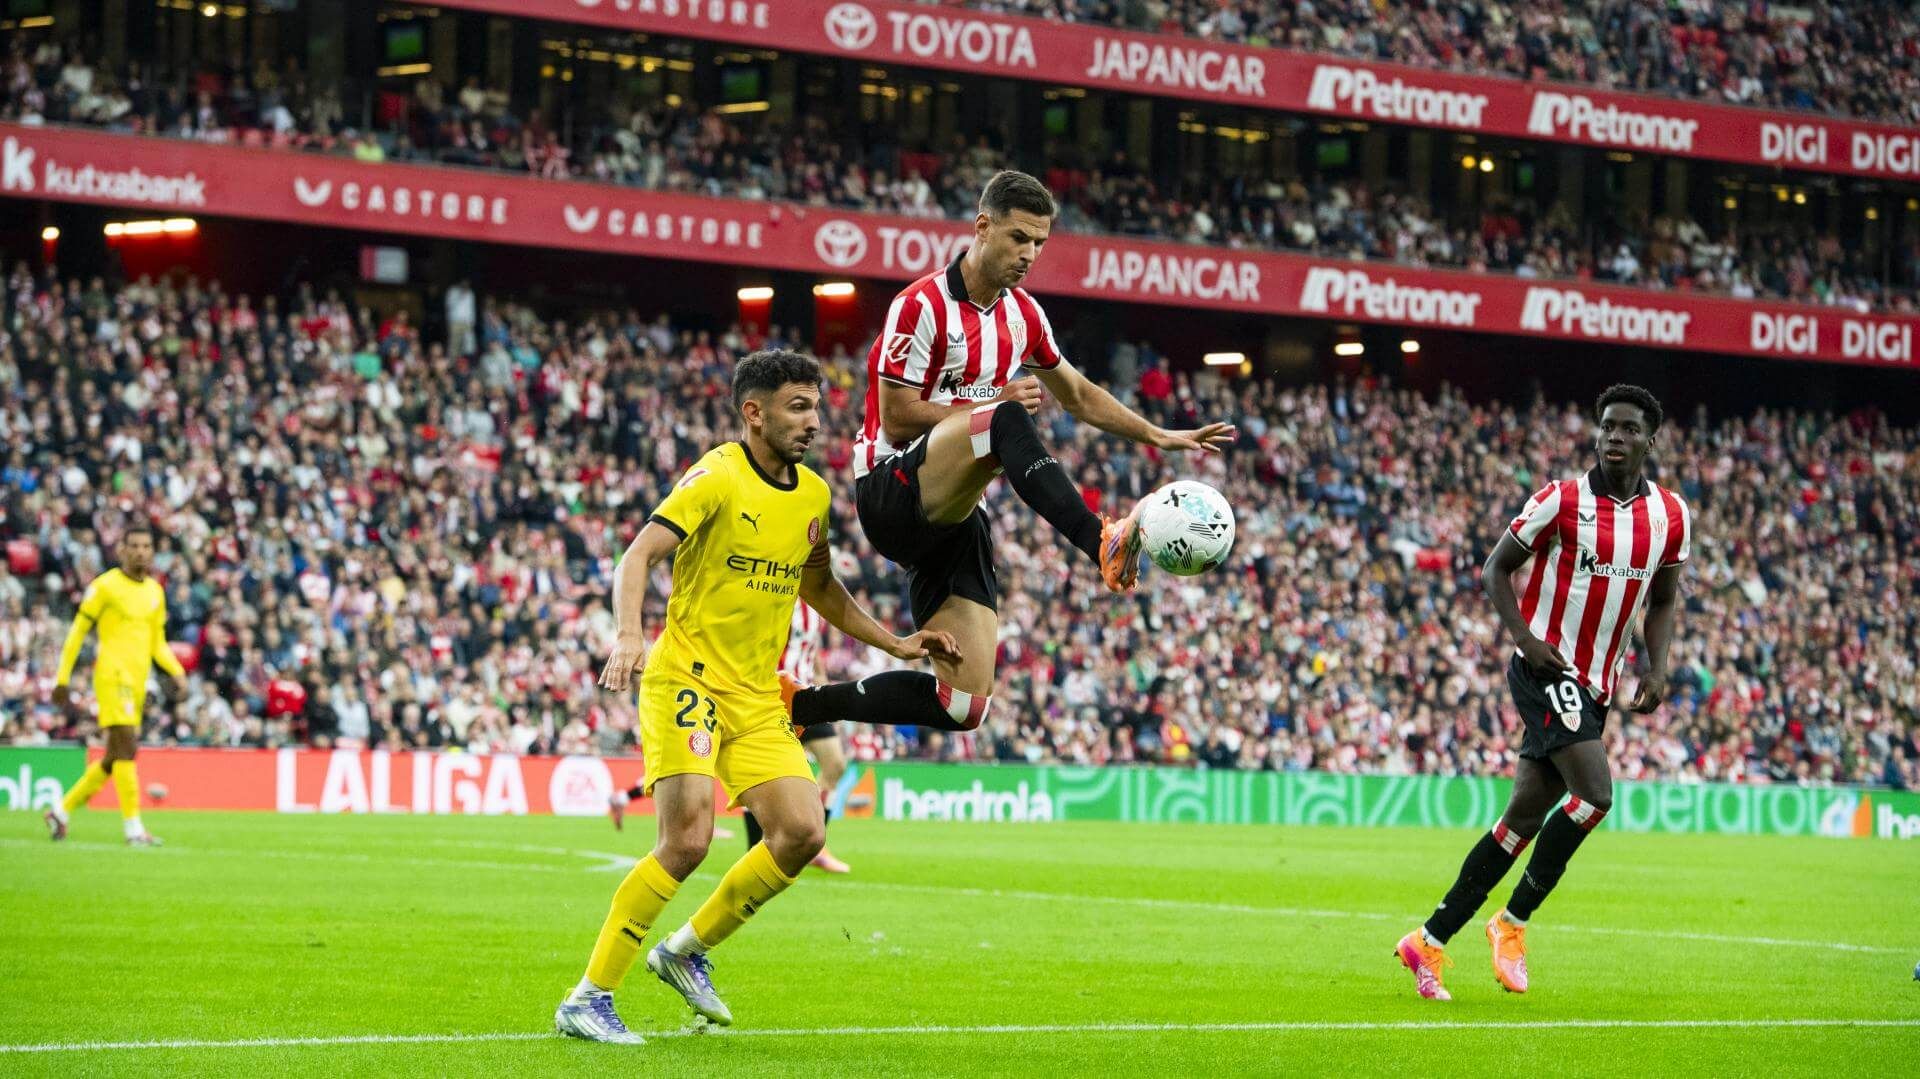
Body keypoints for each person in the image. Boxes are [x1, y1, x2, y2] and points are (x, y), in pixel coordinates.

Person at [554, 349, 958, 1044]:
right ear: (755, 412)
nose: (812, 421)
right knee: (687, 839)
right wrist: (628, 634)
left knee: (802, 830)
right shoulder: (716, 475)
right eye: (798, 407)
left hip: (756, 693)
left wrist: (895, 643)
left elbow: (821, 585)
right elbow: (638, 554)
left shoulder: (811, 496)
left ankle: (685, 951)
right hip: (688, 677)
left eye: (816, 408)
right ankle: (589, 997)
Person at [785, 170, 1234, 742]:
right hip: (891, 491)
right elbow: (895, 416)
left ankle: (803, 704)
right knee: (1004, 416)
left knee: (964, 706)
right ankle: (1099, 538)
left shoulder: (1024, 315)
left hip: (952, 519)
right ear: (983, 227)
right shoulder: (919, 306)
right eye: (1019, 238)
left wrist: (1159, 434)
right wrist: (993, 400)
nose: (1030, 254)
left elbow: (1078, 394)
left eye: (1040, 242)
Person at [1396, 384, 1690, 1000]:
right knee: (1596, 796)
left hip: (1598, 684)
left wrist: (1656, 667)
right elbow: (1494, 568)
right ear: (1596, 432)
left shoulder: (1669, 516)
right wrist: (1526, 640)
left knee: (1521, 820)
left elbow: (1662, 600)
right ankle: (1511, 922)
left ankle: (1428, 940)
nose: (1616, 437)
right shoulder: (1560, 500)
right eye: (1607, 426)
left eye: (1629, 429)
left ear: (1650, 440)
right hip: (1547, 670)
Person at [44, 524, 187, 846]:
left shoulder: (155, 592)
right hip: (111, 677)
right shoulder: (105, 586)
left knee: (113, 757)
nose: (140, 552)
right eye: (133, 546)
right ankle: (134, 828)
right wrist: (62, 678)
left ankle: (60, 810)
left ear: (153, 551)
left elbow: (157, 643)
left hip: (137, 682)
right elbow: (77, 632)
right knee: (126, 747)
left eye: (146, 546)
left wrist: (177, 671)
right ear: (121, 549)